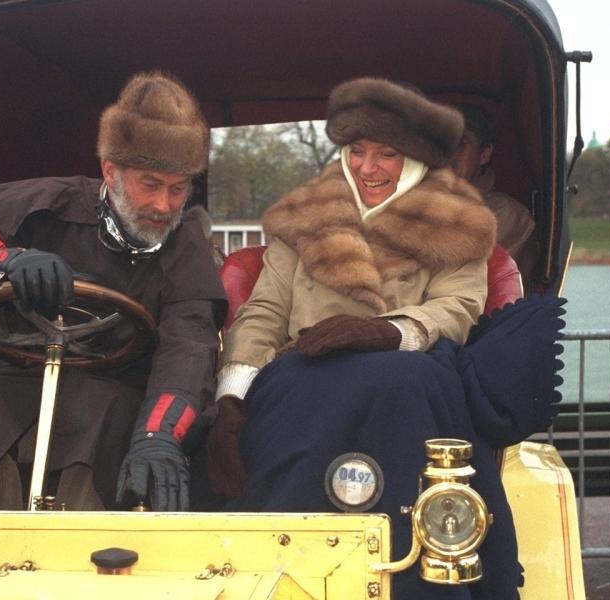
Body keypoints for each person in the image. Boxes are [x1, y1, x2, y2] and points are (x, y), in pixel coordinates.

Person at [206, 78, 564, 599]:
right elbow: (263, 313)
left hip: (408, 372)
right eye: (357, 151)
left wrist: (387, 332)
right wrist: (233, 397)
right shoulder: (302, 220)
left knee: (406, 380)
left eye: (387, 154)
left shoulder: (457, 221)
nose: (367, 168)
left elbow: (459, 306)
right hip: (304, 370)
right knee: (285, 397)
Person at [0, 71, 226, 513]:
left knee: (116, 421)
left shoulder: (187, 249)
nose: (164, 206)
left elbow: (189, 352)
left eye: (178, 189)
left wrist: (159, 436)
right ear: (110, 171)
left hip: (112, 395)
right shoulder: (45, 206)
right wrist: (7, 263)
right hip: (3, 382)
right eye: (151, 185)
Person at [450, 104, 537, 283]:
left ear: (484, 154)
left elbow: (482, 285)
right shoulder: (407, 201)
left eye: (461, 144)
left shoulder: (508, 215)